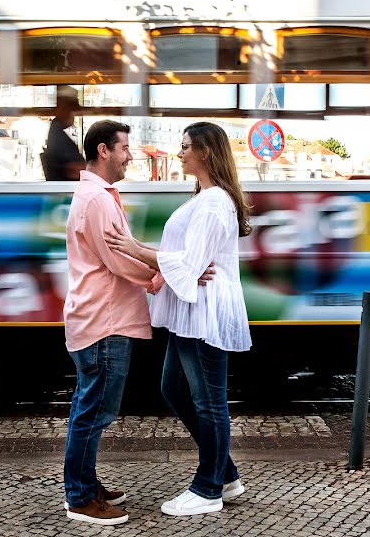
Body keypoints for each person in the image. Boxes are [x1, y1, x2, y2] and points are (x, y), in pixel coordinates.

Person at [61, 120, 214, 525]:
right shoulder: (97, 201)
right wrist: (167, 276)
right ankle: (79, 496)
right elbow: (116, 259)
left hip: (102, 317)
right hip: (104, 320)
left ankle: (86, 484)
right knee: (94, 411)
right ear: (103, 151)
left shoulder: (100, 196)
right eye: (125, 148)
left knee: (90, 405)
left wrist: (167, 270)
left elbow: (122, 253)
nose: (130, 156)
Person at [105, 121, 252, 517]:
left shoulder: (215, 201)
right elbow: (186, 260)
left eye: (186, 146)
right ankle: (226, 474)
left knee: (209, 402)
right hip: (191, 308)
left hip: (203, 311)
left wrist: (135, 248)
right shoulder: (203, 198)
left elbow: (190, 263)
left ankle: (207, 490)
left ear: (205, 152)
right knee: (175, 389)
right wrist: (150, 256)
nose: (180, 152)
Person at [41, 86, 86, 180]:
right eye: (72, 110)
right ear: (64, 108)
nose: (73, 115)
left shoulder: (61, 131)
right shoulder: (58, 134)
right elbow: (76, 169)